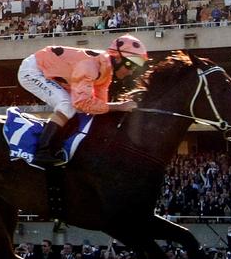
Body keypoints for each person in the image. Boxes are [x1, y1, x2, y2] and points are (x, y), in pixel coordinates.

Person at [17, 34, 148, 166]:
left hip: (49, 71)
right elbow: (81, 103)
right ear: (118, 58)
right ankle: (42, 151)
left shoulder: (105, 71)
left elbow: (98, 106)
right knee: (67, 105)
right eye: (130, 65)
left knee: (76, 108)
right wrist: (120, 106)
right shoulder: (90, 67)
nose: (131, 72)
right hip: (33, 71)